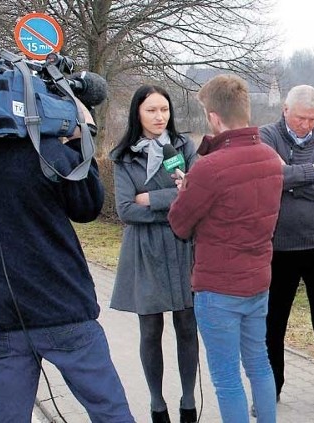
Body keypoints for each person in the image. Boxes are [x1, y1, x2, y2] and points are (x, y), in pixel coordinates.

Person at [0, 48, 134, 422]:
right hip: (63, 309)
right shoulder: (44, 150)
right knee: (110, 412)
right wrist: (80, 135)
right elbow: (88, 207)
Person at [168, 74, 283, 423]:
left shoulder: (209, 167)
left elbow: (180, 224)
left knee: (227, 377)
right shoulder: (270, 158)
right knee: (259, 364)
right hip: (258, 280)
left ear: (214, 117)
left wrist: (186, 190)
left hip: (218, 288)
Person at [109, 85, 199, 423]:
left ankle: (188, 403)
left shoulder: (184, 146)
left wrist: (150, 198)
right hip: (144, 250)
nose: (160, 117)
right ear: (138, 114)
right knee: (150, 330)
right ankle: (157, 404)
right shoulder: (124, 156)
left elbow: (194, 197)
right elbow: (126, 210)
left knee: (187, 326)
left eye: (164, 109)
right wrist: (171, 196)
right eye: (152, 110)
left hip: (181, 246)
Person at [259, 85, 314, 410]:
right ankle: (271, 389)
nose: (307, 125)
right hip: (277, 246)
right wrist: (312, 172)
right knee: (272, 322)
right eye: (301, 118)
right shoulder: (266, 137)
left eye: (313, 119)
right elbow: (266, 177)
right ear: (286, 110)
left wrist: (291, 185)